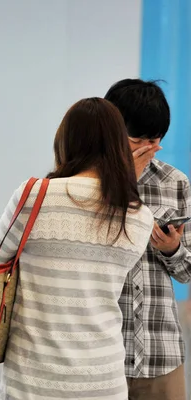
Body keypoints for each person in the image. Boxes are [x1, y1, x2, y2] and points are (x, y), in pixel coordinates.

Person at [0, 98, 154, 399]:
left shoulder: (34, 195)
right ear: (118, 145)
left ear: (66, 141)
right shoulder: (139, 215)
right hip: (104, 381)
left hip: (33, 380)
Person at [105, 79, 191, 400]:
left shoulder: (176, 182)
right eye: (136, 140)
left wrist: (172, 249)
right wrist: (124, 177)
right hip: (99, 356)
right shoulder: (85, 180)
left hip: (161, 353)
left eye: (154, 141)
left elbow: (187, 271)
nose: (146, 148)